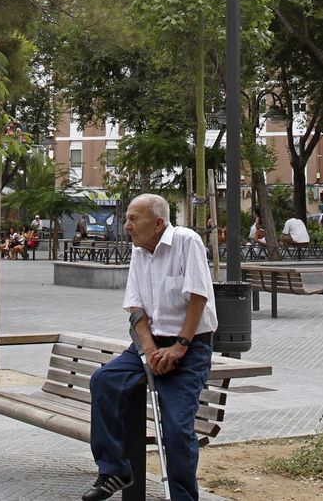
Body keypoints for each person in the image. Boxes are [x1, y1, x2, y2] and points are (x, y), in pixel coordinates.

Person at [84, 193, 215, 501]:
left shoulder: (187, 241)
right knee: (104, 381)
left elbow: (198, 297)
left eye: (133, 219)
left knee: (176, 430)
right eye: (127, 218)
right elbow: (135, 308)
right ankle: (114, 469)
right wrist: (150, 349)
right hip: (150, 342)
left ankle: (183, 497)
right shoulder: (139, 252)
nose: (126, 225)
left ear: (158, 223)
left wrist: (180, 347)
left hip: (190, 344)